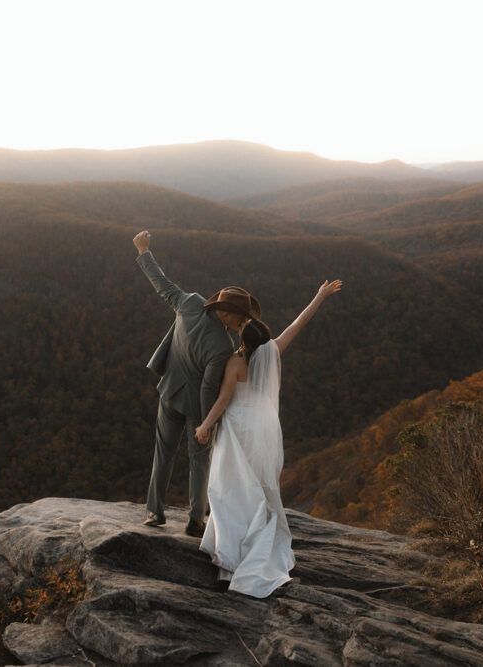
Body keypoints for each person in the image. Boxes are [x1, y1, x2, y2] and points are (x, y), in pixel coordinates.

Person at [195, 279, 343, 597]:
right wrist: (318, 296)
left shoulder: (235, 363)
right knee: (257, 488)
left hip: (236, 429)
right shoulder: (273, 352)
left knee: (228, 488)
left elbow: (222, 402)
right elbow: (297, 324)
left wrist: (205, 426)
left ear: (242, 339)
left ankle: (230, 555)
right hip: (262, 429)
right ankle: (253, 546)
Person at [133, 230, 261, 537]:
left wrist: (143, 251)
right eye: (239, 319)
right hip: (195, 406)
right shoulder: (222, 345)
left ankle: (154, 512)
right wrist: (206, 423)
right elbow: (207, 387)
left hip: (169, 392)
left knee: (163, 453)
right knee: (199, 461)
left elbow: (161, 285)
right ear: (226, 314)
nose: (241, 324)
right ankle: (195, 520)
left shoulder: (189, 304)